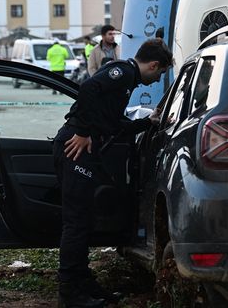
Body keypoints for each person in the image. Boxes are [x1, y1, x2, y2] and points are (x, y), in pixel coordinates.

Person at [53, 38, 172, 308]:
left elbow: (111, 122)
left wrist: (145, 123)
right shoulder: (124, 72)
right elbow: (88, 90)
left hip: (83, 147)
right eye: (160, 73)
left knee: (83, 221)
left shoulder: (127, 80)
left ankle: (82, 282)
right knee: (75, 222)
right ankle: (70, 292)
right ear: (153, 64)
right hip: (75, 146)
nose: (156, 80)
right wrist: (83, 131)